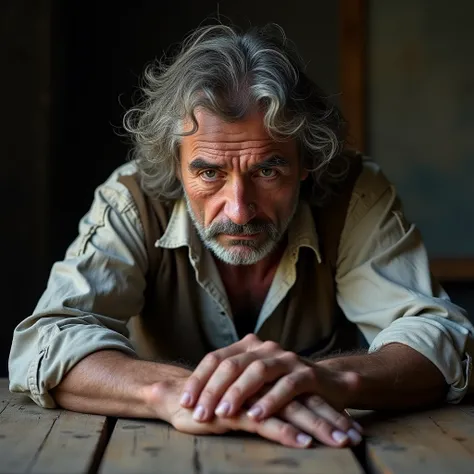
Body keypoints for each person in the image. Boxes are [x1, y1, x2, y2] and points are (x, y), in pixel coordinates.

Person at [9, 24, 474, 450]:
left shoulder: (355, 194)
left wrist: (327, 378)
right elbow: (48, 339)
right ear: (175, 163)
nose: (239, 209)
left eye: (268, 169)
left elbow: (442, 336)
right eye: (209, 172)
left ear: (307, 162)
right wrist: (170, 393)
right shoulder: (131, 198)